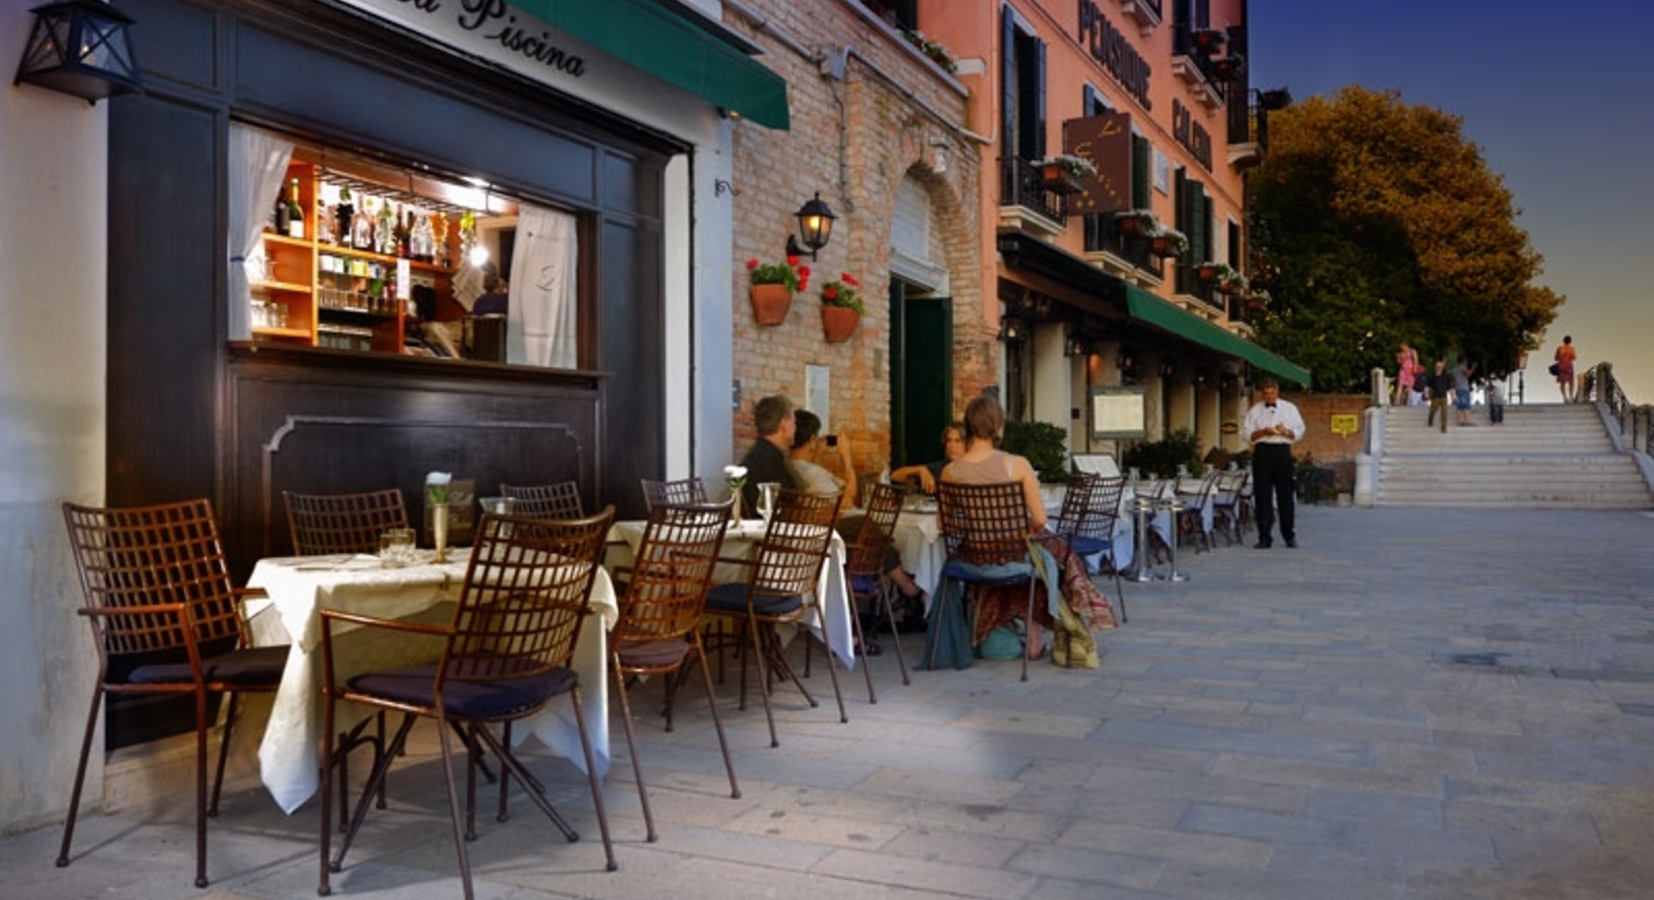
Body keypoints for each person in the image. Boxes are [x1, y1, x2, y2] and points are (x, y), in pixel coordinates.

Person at [941, 395, 1115, 661]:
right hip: (1013, 555)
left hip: (973, 558)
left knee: (1033, 554)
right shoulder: (1016, 465)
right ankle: (1055, 628)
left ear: (968, 427)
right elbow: (1040, 519)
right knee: (1044, 552)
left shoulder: (950, 471)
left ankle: (1004, 628)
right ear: (998, 426)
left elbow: (945, 525)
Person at [791, 410, 926, 637]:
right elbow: (849, 498)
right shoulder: (812, 473)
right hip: (836, 535)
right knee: (872, 531)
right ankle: (910, 589)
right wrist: (847, 459)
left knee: (874, 535)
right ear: (812, 440)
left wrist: (818, 456)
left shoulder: (797, 468)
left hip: (826, 533)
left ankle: (907, 590)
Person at [1241, 378, 1304, 549]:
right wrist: (1263, 432)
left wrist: (1286, 432)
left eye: (1272, 393)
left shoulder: (1290, 409)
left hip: (1283, 452)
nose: (1269, 396)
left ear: (1277, 392)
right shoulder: (1254, 411)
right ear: (1262, 394)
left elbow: (1299, 431)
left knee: (1286, 496)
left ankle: (1289, 535)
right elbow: (1246, 435)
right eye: (1266, 393)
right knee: (1262, 496)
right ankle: (1264, 536)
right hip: (1262, 453)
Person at [736, 394, 801, 512]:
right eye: (794, 422)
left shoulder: (760, 453)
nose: (795, 428)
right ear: (783, 425)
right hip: (771, 527)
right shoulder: (772, 461)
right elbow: (794, 507)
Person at [889, 422, 967, 494]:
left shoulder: (973, 470)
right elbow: (894, 476)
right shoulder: (939, 468)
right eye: (949, 441)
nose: (952, 446)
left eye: (958, 441)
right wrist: (919, 469)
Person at [1423, 359, 1451, 433]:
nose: (1439, 367)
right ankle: (1430, 420)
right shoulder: (1431, 376)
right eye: (1437, 366)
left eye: (1440, 366)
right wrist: (1426, 394)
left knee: (1444, 412)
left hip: (1443, 396)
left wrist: (1453, 395)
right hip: (1435, 396)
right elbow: (1427, 386)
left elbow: (1449, 386)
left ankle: (1443, 427)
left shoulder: (1445, 376)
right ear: (1435, 367)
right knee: (1433, 410)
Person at [1452, 355, 1478, 427]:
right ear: (1464, 361)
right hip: (1464, 388)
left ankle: (1460, 421)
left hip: (1457, 388)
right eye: (1466, 361)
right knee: (1466, 405)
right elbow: (1467, 374)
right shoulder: (1462, 367)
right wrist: (1473, 368)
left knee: (1459, 405)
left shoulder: (1454, 369)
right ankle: (1467, 421)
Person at [1394, 342, 1420, 407]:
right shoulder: (1401, 353)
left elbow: (1416, 360)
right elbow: (1399, 362)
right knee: (1400, 384)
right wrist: (1398, 358)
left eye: (1402, 346)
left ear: (1406, 345)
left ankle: (1408, 401)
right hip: (1403, 370)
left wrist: (1415, 368)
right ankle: (1397, 400)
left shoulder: (1412, 351)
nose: (1402, 348)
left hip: (1410, 370)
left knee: (1410, 386)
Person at [1555, 335, 1577, 403]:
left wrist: (1561, 357)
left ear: (1563, 341)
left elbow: (1556, 358)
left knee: (1562, 383)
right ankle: (1571, 397)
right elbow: (1574, 357)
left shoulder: (1559, 348)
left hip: (1561, 366)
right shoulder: (1572, 349)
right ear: (1570, 341)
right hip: (1569, 366)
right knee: (1571, 382)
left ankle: (1565, 397)